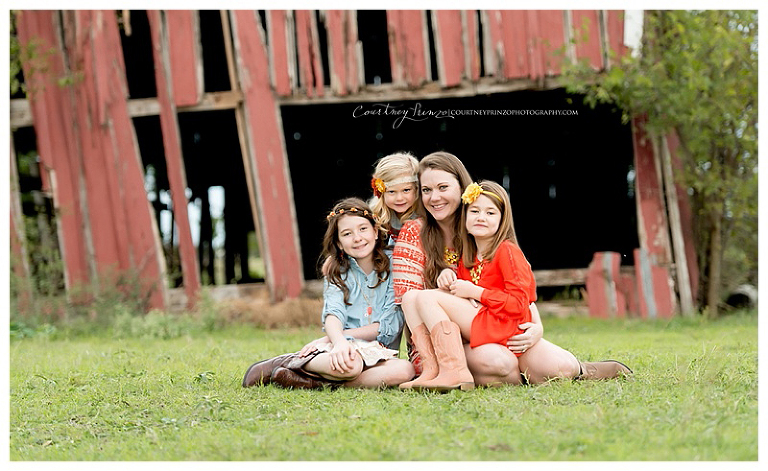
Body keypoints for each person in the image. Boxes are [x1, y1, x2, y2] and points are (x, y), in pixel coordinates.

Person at [393, 152, 632, 388]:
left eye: (443, 187)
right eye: (426, 190)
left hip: (495, 323)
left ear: (462, 189)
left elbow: (517, 291)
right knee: (500, 363)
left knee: (556, 368)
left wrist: (537, 326)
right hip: (456, 341)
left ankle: (580, 369)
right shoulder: (416, 232)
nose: (435, 197)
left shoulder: (483, 233)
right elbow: (410, 299)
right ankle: (458, 372)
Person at [243, 198, 414, 389]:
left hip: (381, 354)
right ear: (339, 243)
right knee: (352, 364)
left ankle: (315, 382)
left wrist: (333, 337)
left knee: (405, 370)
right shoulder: (337, 270)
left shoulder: (395, 266)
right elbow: (333, 314)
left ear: (375, 232)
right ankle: (291, 362)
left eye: (363, 229)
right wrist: (339, 342)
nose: (357, 238)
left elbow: (387, 326)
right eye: (347, 234)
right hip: (343, 350)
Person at [369, 152, 423, 245]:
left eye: (406, 190)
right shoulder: (378, 215)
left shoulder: (424, 213)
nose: (399, 198)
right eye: (391, 191)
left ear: (416, 189)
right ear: (381, 193)